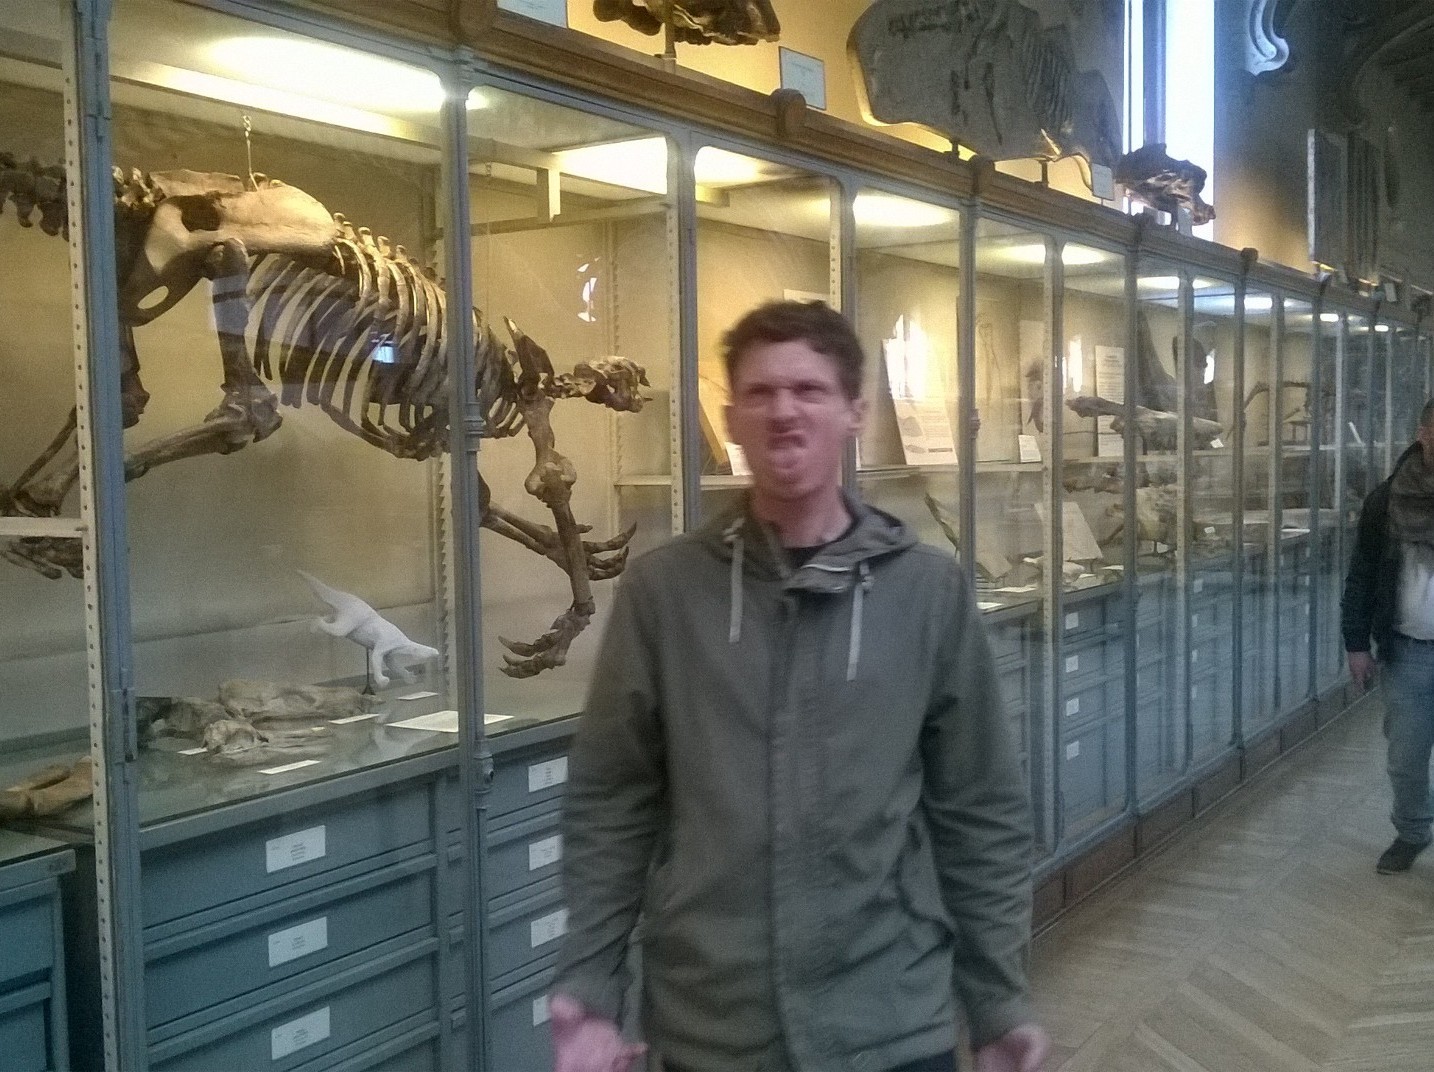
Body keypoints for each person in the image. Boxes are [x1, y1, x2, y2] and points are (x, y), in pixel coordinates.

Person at [551, 300, 1049, 1072]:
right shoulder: (665, 592)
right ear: (732, 418)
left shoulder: (927, 592)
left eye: (810, 390)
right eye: (761, 392)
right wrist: (591, 986)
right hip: (714, 1025)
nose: (784, 411)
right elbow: (612, 802)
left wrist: (998, 1002)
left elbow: (979, 808)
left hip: (888, 1018)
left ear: (854, 412)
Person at [1343, 398, 1434, 875]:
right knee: (1406, 756)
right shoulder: (1387, 500)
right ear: (1423, 434)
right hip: (1407, 653)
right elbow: (1362, 575)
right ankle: (1413, 831)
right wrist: (1356, 643)